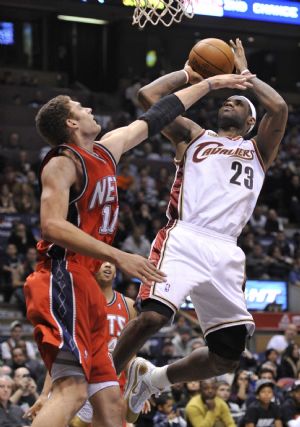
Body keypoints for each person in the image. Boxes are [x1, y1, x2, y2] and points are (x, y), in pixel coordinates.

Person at [23, 73, 251, 427]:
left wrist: (201, 80)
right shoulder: (62, 162)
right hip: (61, 276)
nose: (89, 108)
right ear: (71, 122)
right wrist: (118, 256)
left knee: (112, 404)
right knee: (73, 392)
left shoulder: (105, 150)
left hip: (85, 283)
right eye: (81, 108)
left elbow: (155, 115)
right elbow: (51, 226)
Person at [112, 37, 288, 423]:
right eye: (229, 98)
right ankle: (101, 383)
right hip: (185, 236)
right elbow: (148, 95)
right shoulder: (193, 134)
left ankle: (155, 378)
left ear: (250, 121)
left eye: (239, 102)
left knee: (226, 356)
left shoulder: (260, 148)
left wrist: (244, 77)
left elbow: (279, 106)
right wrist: (191, 75)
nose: (230, 102)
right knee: (154, 317)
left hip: (226, 250)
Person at [70, 261, 136, 427]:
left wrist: (133, 390)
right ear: (92, 268)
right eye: (102, 262)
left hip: (115, 381)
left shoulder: (128, 305)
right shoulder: (78, 302)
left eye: (112, 263)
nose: (108, 266)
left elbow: (131, 351)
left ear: (115, 273)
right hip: (85, 378)